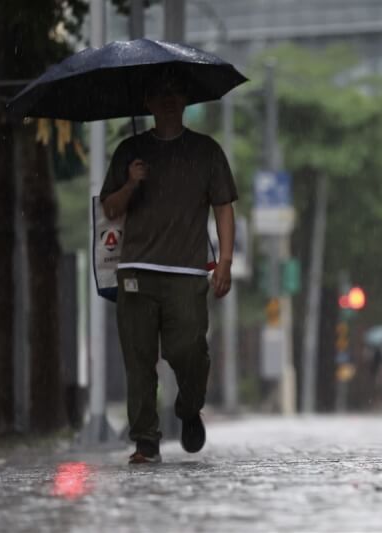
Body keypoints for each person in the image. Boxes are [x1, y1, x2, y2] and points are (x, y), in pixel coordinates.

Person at [100, 72, 237, 464]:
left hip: (187, 273)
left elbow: (224, 207)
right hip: (136, 270)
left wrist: (224, 261)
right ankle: (145, 441)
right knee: (139, 360)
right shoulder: (130, 151)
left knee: (189, 349)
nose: (168, 98)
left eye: (174, 90)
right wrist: (131, 183)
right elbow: (110, 209)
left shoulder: (207, 151)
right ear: (147, 103)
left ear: (185, 98)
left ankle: (189, 407)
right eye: (159, 93)